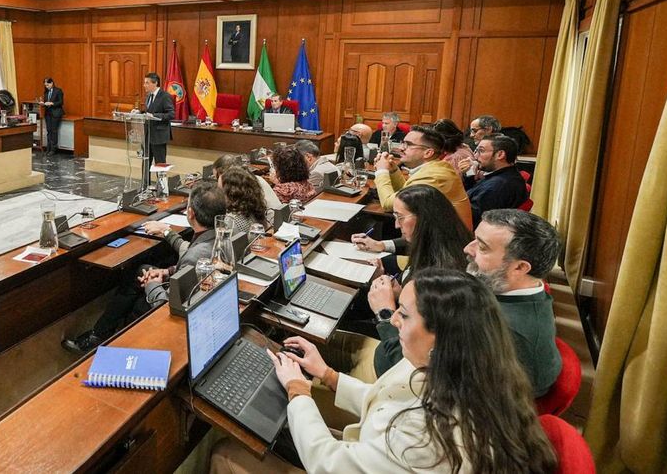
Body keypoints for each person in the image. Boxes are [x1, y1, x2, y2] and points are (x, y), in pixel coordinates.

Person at [211, 268, 556, 473]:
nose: (392, 319)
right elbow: (389, 400)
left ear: (442, 336)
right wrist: (328, 375)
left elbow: (329, 463)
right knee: (281, 429)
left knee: (226, 453)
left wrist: (299, 391)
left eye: (403, 315)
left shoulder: (427, 435)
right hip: (372, 453)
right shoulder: (473, 370)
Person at [62, 183, 226, 353]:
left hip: (175, 316)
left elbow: (164, 304)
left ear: (190, 213)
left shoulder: (195, 256)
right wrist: (167, 271)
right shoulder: (217, 236)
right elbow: (189, 256)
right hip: (191, 294)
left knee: (137, 301)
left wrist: (152, 284)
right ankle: (100, 334)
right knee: (140, 269)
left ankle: (115, 343)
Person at [349, 186, 473, 379]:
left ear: (424, 219)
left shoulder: (441, 274)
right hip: (398, 332)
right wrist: (400, 294)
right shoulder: (439, 243)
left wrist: (385, 311)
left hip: (398, 367)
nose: (396, 226)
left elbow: (407, 359)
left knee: (346, 322)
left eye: (400, 217)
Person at [463, 209, 563, 397]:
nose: (468, 248)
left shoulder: (506, 330)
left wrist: (389, 313)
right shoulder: (508, 288)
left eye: (482, 247)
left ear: (519, 267)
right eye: (474, 239)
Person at [372, 124, 472, 228]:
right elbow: (407, 193)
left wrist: (381, 171)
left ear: (428, 153)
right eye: (403, 143)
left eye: (408, 144)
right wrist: (392, 170)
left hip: (447, 241)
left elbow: (389, 205)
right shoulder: (437, 167)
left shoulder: (435, 177)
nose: (401, 148)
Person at [462, 133, 530, 226]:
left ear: (500, 154)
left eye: (481, 151)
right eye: (476, 151)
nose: (475, 156)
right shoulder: (505, 175)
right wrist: (470, 173)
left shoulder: (498, 186)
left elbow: (470, 219)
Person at [137, 72, 174, 185]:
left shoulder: (165, 96)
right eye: (144, 83)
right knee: (146, 162)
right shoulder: (149, 96)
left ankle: (162, 188)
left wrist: (155, 116)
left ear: (155, 83)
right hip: (148, 135)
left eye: (147, 83)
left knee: (160, 163)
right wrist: (140, 112)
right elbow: (149, 112)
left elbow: (171, 114)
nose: (144, 85)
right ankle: (145, 186)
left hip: (159, 135)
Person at [41, 77, 64, 154]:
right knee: (49, 131)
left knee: (54, 131)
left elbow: (61, 102)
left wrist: (52, 103)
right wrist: (43, 103)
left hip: (56, 113)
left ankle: (53, 149)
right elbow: (45, 101)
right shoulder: (46, 92)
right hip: (48, 113)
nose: (46, 86)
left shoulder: (58, 91)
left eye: (47, 85)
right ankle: (48, 148)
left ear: (51, 83)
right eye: (45, 85)